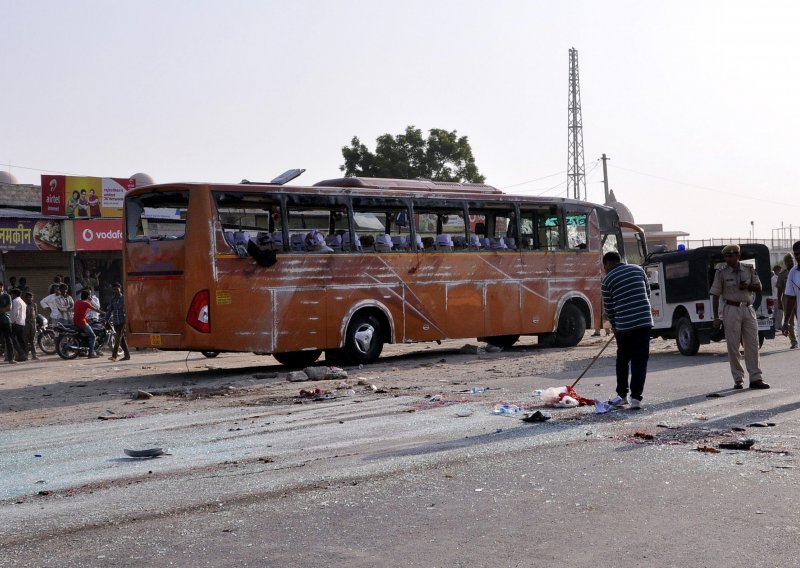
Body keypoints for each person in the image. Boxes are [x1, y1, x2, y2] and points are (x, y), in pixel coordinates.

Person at [710, 244, 769, 389]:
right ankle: (738, 378)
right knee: (733, 345)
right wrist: (716, 317)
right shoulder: (721, 273)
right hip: (731, 309)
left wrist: (747, 286)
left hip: (748, 308)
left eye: (731, 255)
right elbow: (715, 295)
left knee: (752, 344)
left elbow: (759, 287)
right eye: (726, 256)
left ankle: (756, 378)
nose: (728, 258)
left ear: (738, 256)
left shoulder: (749, 269)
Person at [601, 251, 654, 409]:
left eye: (604, 266)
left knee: (623, 360)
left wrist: (616, 327)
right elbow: (648, 292)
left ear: (607, 263)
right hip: (644, 322)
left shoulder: (607, 280)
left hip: (624, 326)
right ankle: (636, 398)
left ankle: (622, 395)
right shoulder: (638, 269)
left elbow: (609, 309)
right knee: (640, 360)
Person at [73, 289, 103, 358]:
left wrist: (87, 318)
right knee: (93, 336)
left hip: (76, 321)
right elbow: (96, 309)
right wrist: (104, 313)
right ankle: (91, 353)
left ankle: (85, 350)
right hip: (82, 322)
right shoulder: (86, 303)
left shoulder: (77, 302)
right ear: (87, 296)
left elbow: (77, 312)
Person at [777, 252, 797, 349]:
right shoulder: (782, 274)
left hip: (798, 298)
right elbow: (779, 290)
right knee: (789, 321)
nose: (790, 262)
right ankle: (793, 341)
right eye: (788, 261)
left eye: (791, 260)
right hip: (787, 299)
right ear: (785, 263)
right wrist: (779, 302)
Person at [782, 241, 800, 344]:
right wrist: (785, 322)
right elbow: (791, 298)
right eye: (796, 254)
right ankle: (793, 341)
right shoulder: (793, 273)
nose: (798, 256)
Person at [106, 282, 130, 361]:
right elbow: (110, 310)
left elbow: (128, 309)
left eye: (117, 289)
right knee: (121, 339)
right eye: (114, 289)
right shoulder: (112, 299)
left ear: (120, 289)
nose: (116, 290)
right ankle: (127, 356)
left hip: (123, 321)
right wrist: (106, 320)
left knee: (117, 338)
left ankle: (114, 356)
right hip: (115, 321)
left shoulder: (124, 298)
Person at [9, 288, 27, 362]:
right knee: (21, 339)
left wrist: (13, 321)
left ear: (14, 294)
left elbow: (15, 312)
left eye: (11, 294)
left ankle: (21, 353)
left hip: (16, 322)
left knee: (12, 338)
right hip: (22, 322)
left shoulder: (15, 301)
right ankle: (24, 355)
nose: (11, 296)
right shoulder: (22, 301)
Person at [0, 282, 16, 364]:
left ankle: (11, 358)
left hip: (6, 321)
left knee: (8, 340)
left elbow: (9, 308)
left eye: (0, 287)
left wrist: (2, 309)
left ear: (2, 287)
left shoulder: (6, 296)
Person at [23, 291, 38, 360]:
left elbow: (36, 314)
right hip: (25, 323)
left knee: (33, 340)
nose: (29, 299)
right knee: (25, 340)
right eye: (28, 297)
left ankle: (34, 355)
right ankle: (26, 355)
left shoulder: (34, 305)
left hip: (33, 323)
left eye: (30, 297)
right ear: (25, 298)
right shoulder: (23, 305)